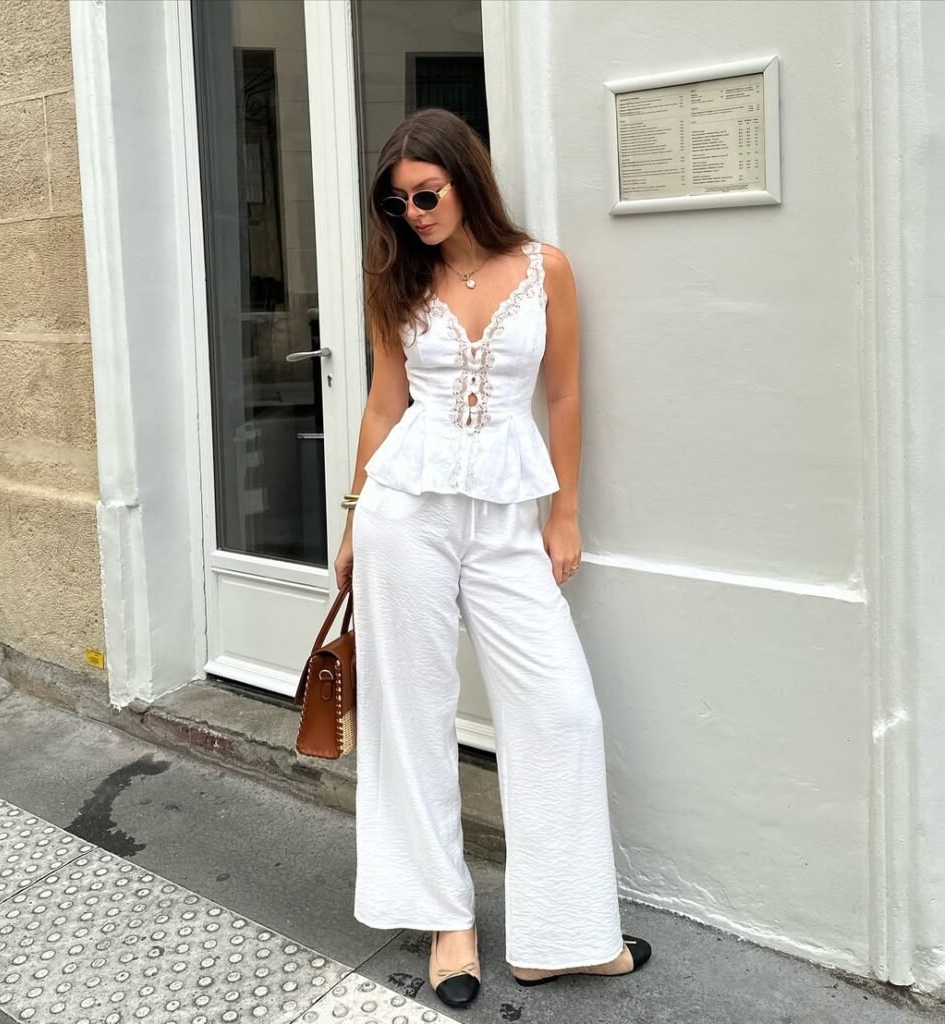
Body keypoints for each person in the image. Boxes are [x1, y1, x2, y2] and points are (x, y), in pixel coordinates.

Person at [334, 107, 652, 1009]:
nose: (413, 214)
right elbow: (384, 405)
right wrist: (354, 518)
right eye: (397, 203)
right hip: (407, 514)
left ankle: (563, 934)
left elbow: (565, 396)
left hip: (510, 522)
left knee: (562, 712)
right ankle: (447, 920)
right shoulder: (396, 279)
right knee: (412, 714)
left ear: (466, 180)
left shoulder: (545, 270)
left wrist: (566, 514)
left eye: (425, 194)